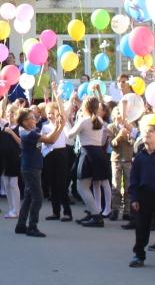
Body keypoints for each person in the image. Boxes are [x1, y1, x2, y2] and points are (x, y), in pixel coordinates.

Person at [15, 105, 64, 238]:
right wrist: (61, 126)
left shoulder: (30, 131)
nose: (34, 118)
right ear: (25, 122)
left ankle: (20, 225)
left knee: (29, 196)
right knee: (37, 197)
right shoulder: (28, 133)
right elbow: (51, 140)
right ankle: (32, 226)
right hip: (31, 168)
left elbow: (48, 138)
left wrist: (58, 126)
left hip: (32, 167)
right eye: (31, 118)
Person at [127, 125, 155, 267]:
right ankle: (139, 255)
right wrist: (134, 198)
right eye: (145, 132)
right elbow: (133, 179)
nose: (147, 133)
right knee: (142, 227)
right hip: (143, 197)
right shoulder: (139, 158)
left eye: (151, 132)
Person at [67, 96, 111, 228]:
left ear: (85, 107)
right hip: (98, 153)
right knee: (94, 185)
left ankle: (96, 215)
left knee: (82, 186)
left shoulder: (84, 120)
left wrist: (65, 124)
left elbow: (70, 135)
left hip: (87, 154)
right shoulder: (99, 120)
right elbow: (103, 141)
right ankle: (94, 213)